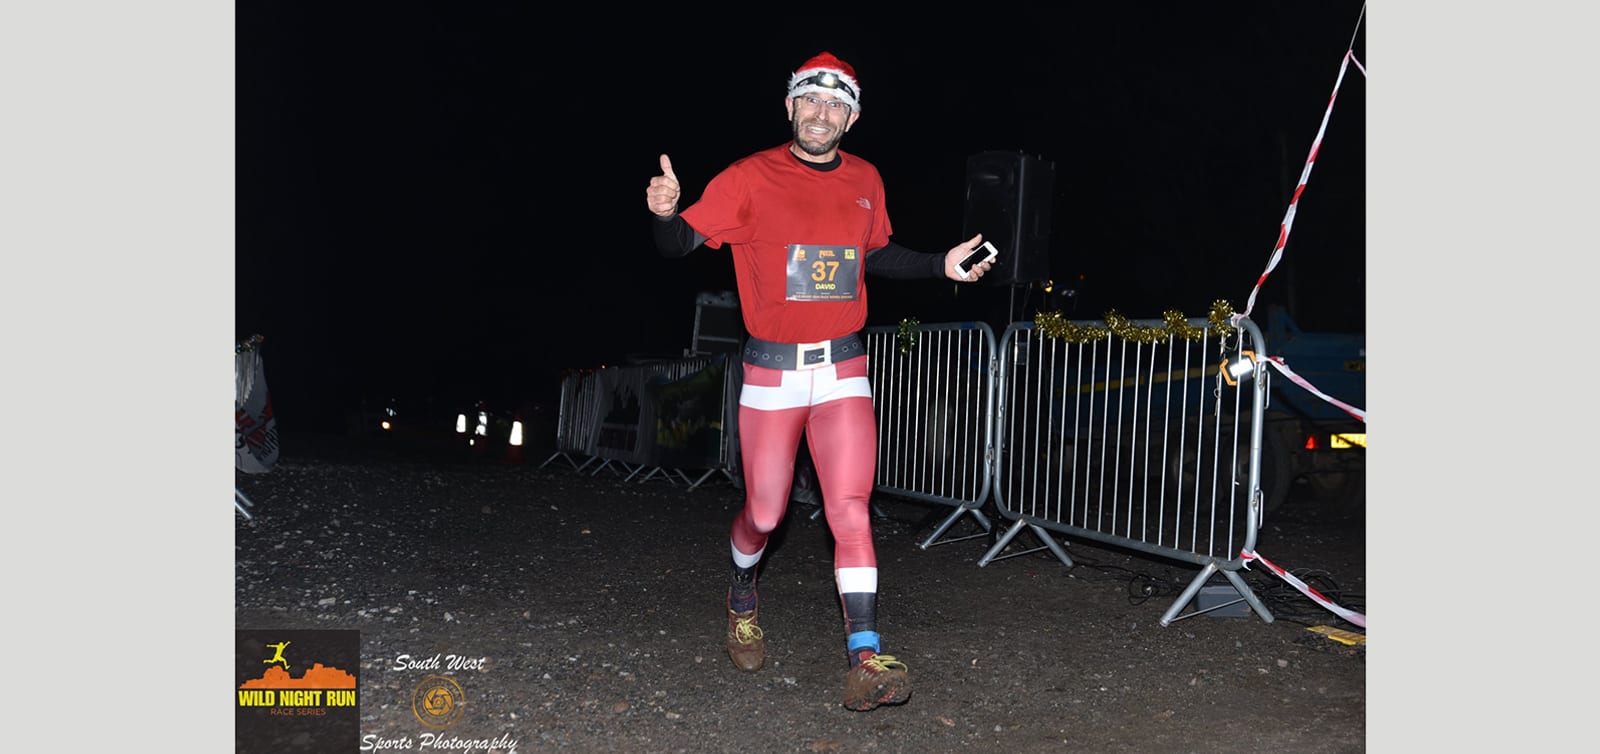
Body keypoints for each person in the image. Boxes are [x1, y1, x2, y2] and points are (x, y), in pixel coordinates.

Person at [644, 51, 993, 712]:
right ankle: (742, 592)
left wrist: (940, 265)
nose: (821, 114)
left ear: (853, 118)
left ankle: (866, 655)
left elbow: (877, 253)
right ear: (790, 108)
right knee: (766, 513)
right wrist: (665, 214)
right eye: (810, 100)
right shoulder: (748, 176)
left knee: (849, 507)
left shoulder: (866, 178)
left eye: (836, 105)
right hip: (771, 373)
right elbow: (677, 247)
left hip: (843, 370)